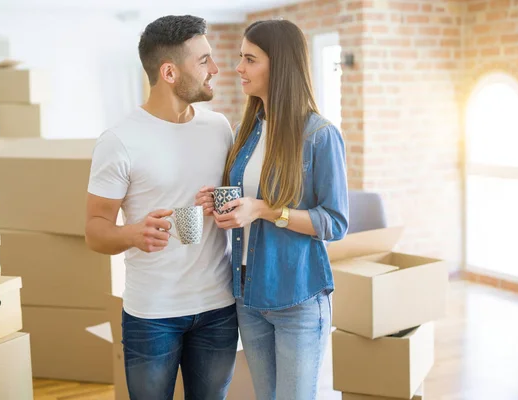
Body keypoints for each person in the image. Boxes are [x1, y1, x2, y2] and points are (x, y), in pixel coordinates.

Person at [85, 15, 237, 400]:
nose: (216, 69)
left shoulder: (219, 127)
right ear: (169, 72)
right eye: (203, 61)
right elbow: (95, 230)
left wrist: (227, 204)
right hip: (153, 315)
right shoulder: (119, 140)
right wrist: (132, 233)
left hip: (219, 307)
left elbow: (234, 206)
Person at [196, 19, 349, 400]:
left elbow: (335, 222)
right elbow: (248, 198)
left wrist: (266, 210)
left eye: (250, 60)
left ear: (278, 66)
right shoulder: (248, 130)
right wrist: (222, 202)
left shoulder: (319, 136)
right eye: (240, 58)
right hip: (247, 295)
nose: (238, 68)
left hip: (298, 297)